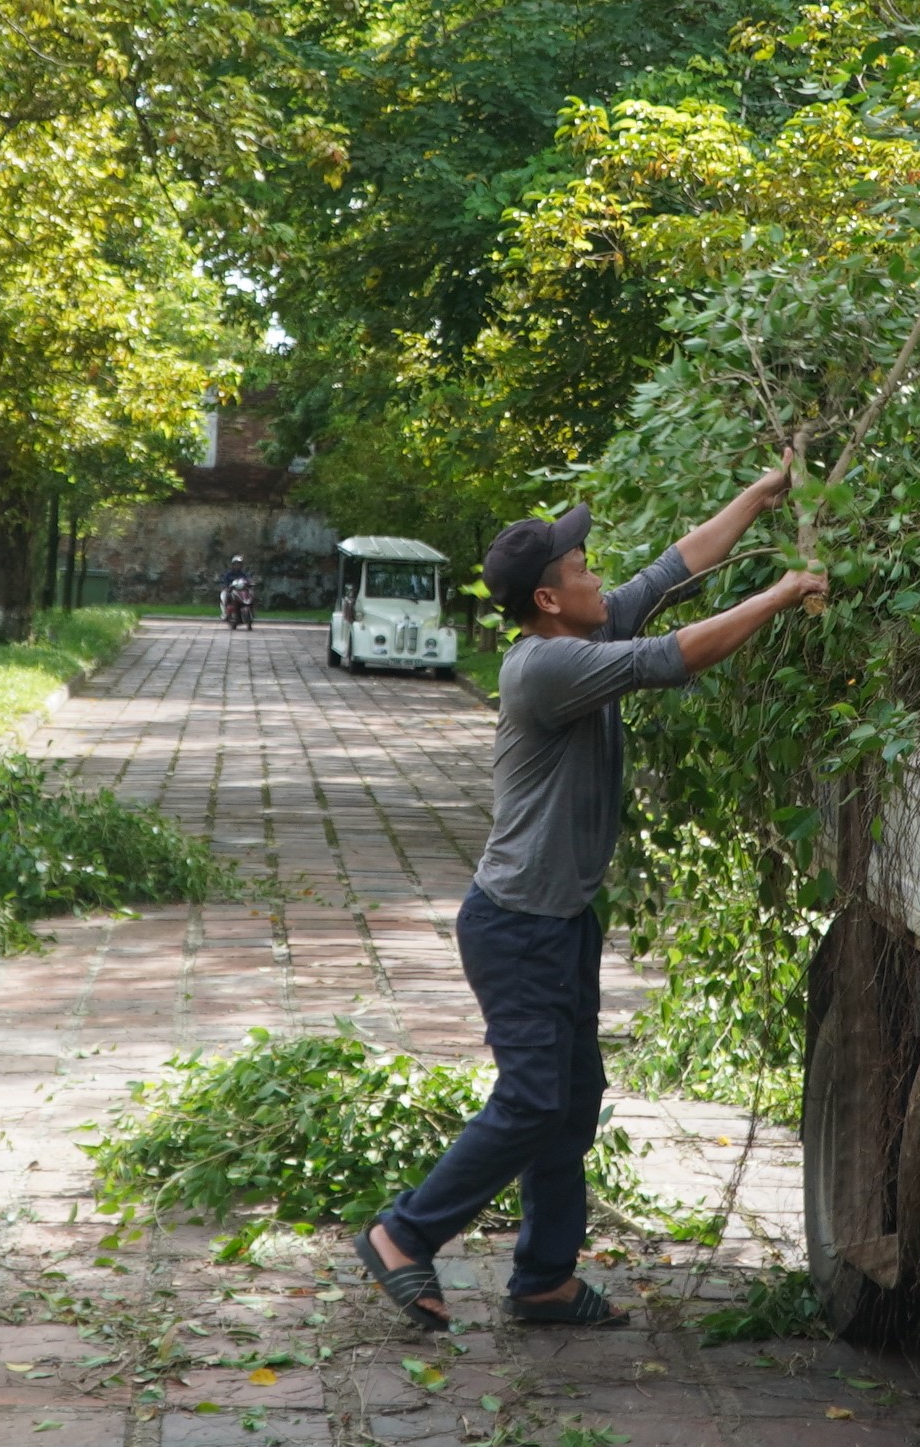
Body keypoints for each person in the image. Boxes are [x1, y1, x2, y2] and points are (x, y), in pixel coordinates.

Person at [355, 465, 830, 1330]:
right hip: (516, 925)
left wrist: (759, 494)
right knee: (533, 1100)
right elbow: (676, 652)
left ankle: (543, 1280)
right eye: (580, 568)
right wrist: (780, 593)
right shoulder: (546, 667)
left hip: (560, 918)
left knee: (570, 1103)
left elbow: (674, 568)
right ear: (547, 598)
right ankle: (403, 1232)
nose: (596, 575)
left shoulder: (581, 628)